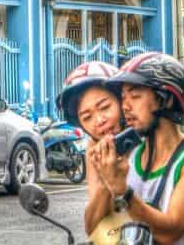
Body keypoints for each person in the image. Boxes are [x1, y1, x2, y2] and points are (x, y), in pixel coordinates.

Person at [88, 52, 184, 245]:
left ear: (165, 99)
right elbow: (94, 230)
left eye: (135, 96)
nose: (126, 106)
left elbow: (170, 232)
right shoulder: (129, 156)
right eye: (123, 98)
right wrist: (105, 181)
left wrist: (121, 191)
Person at [55, 61, 129, 241]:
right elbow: (92, 226)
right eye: (87, 117)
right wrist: (107, 179)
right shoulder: (94, 150)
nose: (99, 121)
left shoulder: (148, 137)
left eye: (105, 107)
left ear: (121, 102)